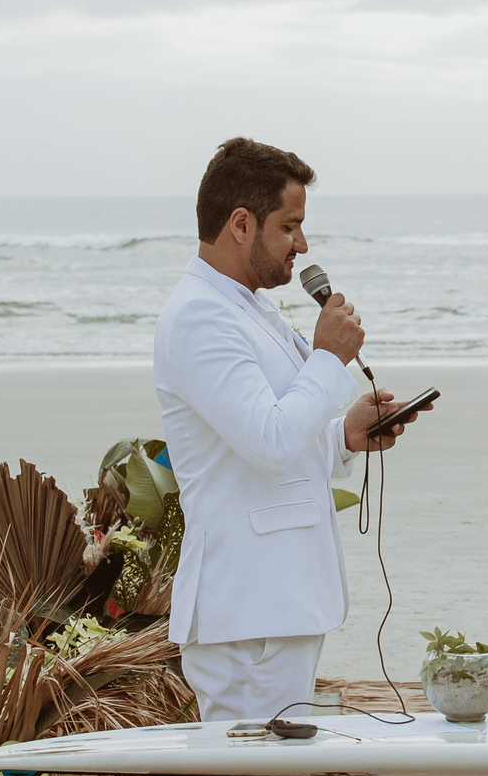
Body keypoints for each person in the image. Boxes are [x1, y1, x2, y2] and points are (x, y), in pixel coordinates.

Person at [155, 136, 410, 725]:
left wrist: (344, 436)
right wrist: (327, 358)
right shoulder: (199, 316)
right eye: (289, 226)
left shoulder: (251, 306)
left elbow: (270, 438)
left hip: (277, 605)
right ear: (241, 224)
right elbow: (270, 443)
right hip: (248, 611)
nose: (302, 244)